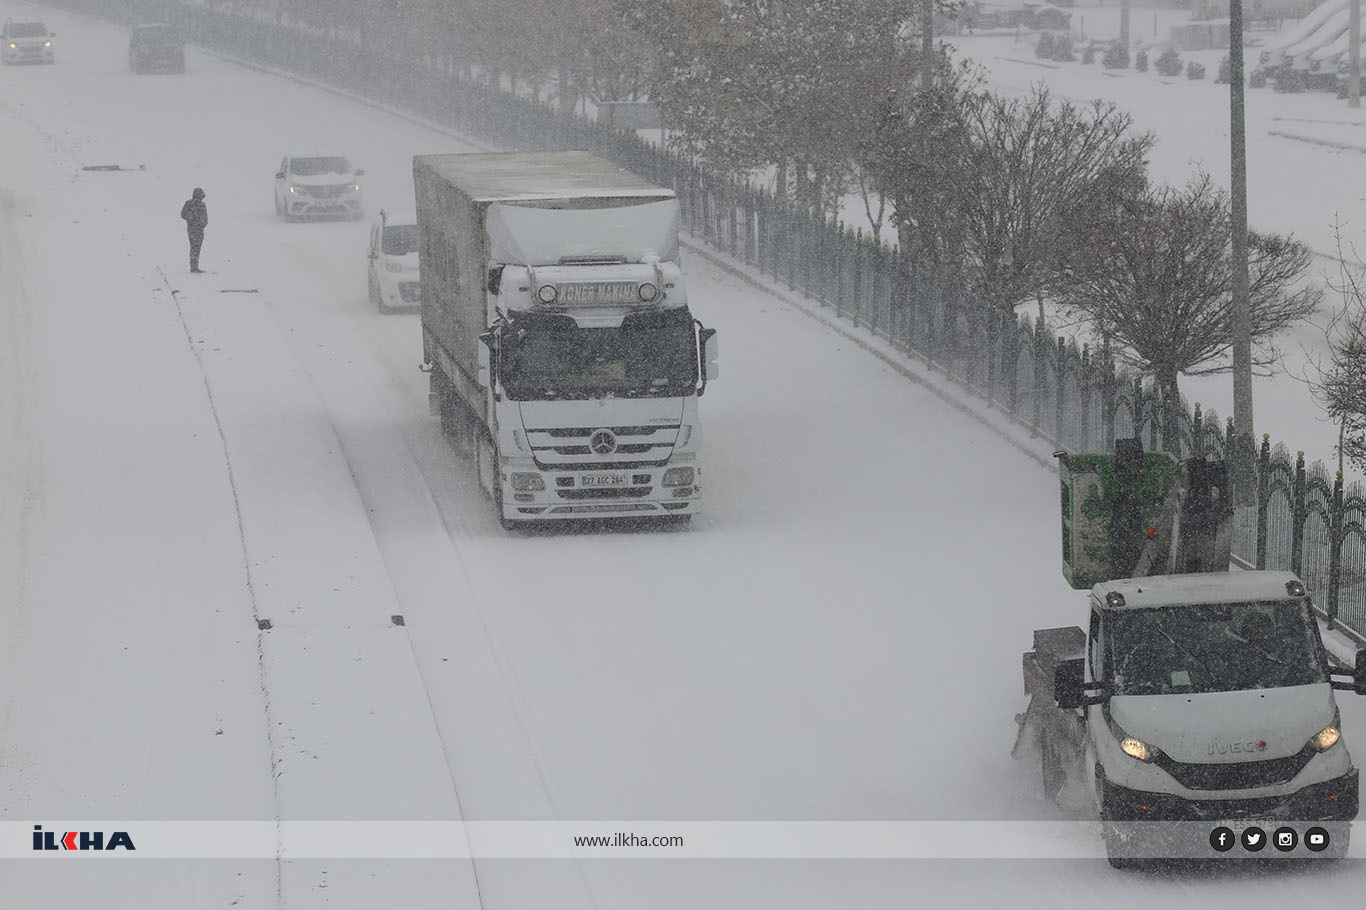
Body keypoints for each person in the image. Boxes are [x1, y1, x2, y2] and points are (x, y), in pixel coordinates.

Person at [180, 187, 208, 273]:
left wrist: (202, 224)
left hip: (200, 230)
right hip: (192, 229)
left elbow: (205, 218)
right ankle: (194, 267)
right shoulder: (189, 203)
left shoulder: (202, 205)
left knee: (197, 248)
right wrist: (191, 218)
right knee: (194, 247)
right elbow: (183, 214)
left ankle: (195, 266)